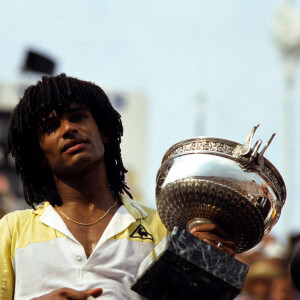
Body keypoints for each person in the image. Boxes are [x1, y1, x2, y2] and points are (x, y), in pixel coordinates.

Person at [0, 73, 236, 300]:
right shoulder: (12, 230)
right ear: (39, 155)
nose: (67, 129)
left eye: (78, 116)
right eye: (51, 126)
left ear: (103, 132)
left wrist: (209, 268)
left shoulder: (162, 228)